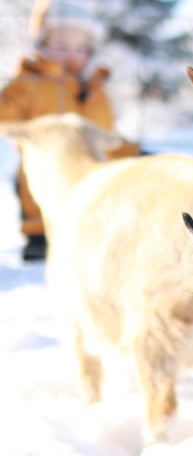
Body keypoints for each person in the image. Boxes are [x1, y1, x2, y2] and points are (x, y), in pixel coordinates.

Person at [0, 0, 140, 261]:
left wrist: (135, 152)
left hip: (91, 187)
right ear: (42, 45)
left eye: (80, 48)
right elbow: (5, 117)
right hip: (41, 189)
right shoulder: (30, 83)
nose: (71, 54)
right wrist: (19, 81)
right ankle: (38, 238)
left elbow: (108, 137)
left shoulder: (95, 90)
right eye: (61, 46)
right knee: (32, 186)